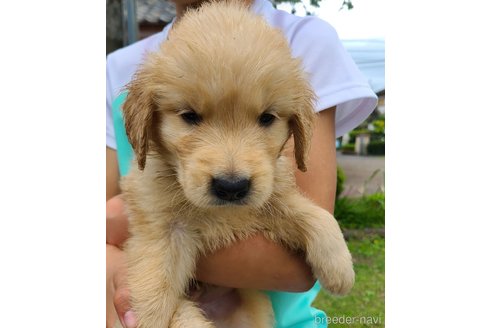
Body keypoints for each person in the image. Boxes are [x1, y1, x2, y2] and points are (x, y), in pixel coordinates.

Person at [106, 0, 377, 327]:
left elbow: (296, 255)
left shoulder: (307, 40)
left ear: (296, 127)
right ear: (142, 120)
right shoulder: (119, 68)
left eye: (266, 119)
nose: (231, 171)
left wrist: (317, 226)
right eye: (191, 117)